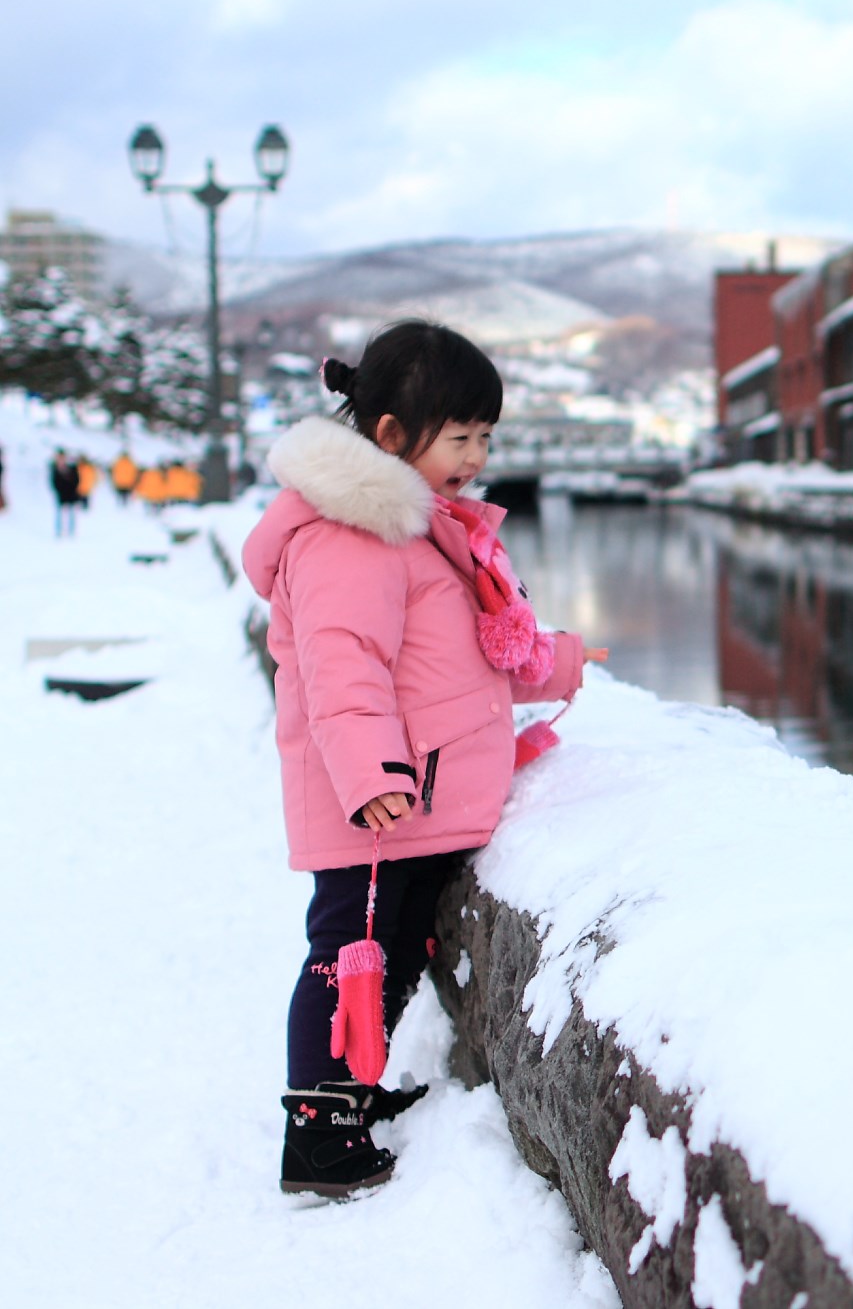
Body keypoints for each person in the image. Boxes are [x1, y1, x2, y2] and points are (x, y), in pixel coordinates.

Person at [240, 320, 607, 1199]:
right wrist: (373, 776)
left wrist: (557, 661)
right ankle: (318, 1134)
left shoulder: (417, 527)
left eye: (487, 435)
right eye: (462, 436)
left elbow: (468, 650)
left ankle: (350, 1097)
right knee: (348, 954)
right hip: (374, 799)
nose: (478, 454)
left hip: (414, 800)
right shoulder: (350, 536)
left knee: (394, 948)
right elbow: (342, 666)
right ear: (393, 435)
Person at [48, 449, 79, 536]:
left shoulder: (72, 467)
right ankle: (59, 531)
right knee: (59, 514)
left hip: (71, 494)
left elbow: (76, 480)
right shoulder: (55, 469)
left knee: (71, 513)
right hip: (61, 494)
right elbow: (54, 482)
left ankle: (71, 532)